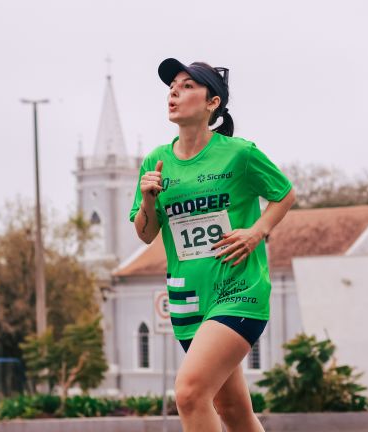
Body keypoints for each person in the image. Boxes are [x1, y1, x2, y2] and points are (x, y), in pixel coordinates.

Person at [129, 58, 295, 432]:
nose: (174, 92)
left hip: (239, 292)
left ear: (212, 102)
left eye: (188, 86)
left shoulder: (239, 153)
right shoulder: (156, 161)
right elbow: (144, 233)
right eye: (172, 85)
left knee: (189, 394)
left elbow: (285, 194)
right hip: (188, 300)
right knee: (233, 410)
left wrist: (257, 231)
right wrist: (149, 201)